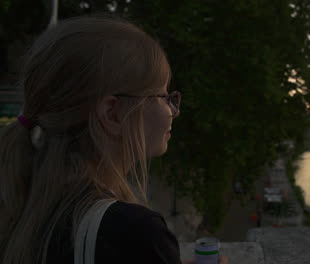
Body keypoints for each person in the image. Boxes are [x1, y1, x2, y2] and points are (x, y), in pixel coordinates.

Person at [0, 16, 227, 264]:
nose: (174, 110)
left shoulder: (22, 203)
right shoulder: (134, 235)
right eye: (163, 96)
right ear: (112, 113)